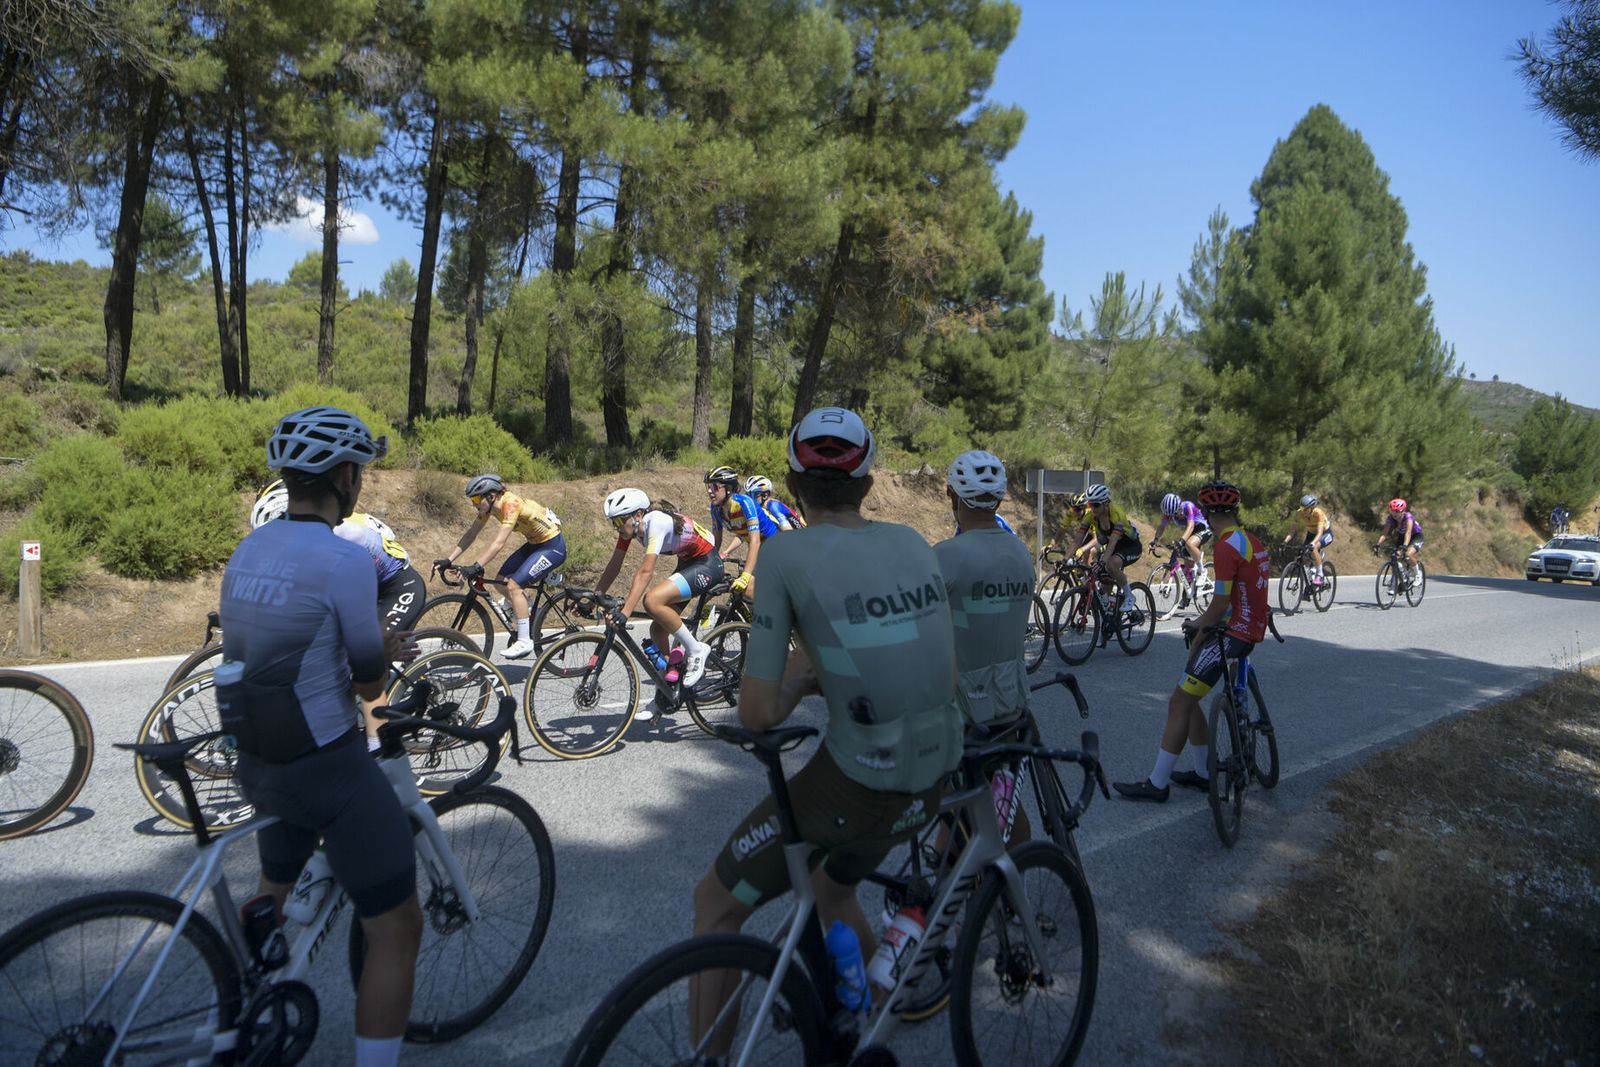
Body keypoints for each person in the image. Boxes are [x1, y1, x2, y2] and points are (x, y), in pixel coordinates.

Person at [690, 408, 964, 1043]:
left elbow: (757, 712)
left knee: (714, 904)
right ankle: (857, 1017)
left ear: (791, 484)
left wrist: (800, 680)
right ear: (869, 483)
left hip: (861, 782)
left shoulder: (785, 557)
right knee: (829, 889)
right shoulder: (912, 544)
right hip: (934, 780)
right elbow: (940, 677)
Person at [219, 407, 420, 1067]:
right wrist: (386, 647)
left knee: (276, 888)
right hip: (325, 768)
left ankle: (249, 1006)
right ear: (344, 476)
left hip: (257, 761)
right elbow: (367, 683)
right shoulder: (343, 559)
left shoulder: (248, 548)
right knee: (396, 925)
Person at [1113, 480, 1270, 802]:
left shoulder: (1226, 547)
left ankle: (1157, 783)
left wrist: (1199, 635)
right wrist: (1202, 622)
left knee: (1178, 702)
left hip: (1234, 633)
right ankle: (1203, 773)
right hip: (1251, 626)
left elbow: (1221, 602)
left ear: (1208, 516)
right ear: (1235, 511)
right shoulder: (1251, 540)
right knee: (1191, 699)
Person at [252, 480, 427, 748]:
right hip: (367, 579)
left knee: (369, 660)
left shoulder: (333, 536)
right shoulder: (310, 532)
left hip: (399, 586)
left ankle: (379, 751)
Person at [935, 449, 1037, 842]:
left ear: (953, 496)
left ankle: (959, 890)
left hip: (961, 715)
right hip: (1011, 705)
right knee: (1002, 813)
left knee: (956, 814)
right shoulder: (1020, 553)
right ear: (998, 499)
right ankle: (1010, 891)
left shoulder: (946, 556)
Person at [596, 488, 720, 717]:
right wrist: (596, 595)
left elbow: (646, 572)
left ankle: (696, 649)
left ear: (638, 515)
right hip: (689, 563)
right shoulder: (631, 530)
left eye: (620, 520)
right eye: (614, 522)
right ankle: (666, 695)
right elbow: (615, 563)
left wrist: (626, 611)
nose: (617, 527)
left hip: (708, 563)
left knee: (652, 601)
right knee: (657, 630)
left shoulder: (656, 523)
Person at [253, 479, 426, 635]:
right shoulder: (313, 529)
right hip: (369, 586)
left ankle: (413, 669)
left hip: (400, 587)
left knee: (373, 650)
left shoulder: (334, 534)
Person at [439, 473, 567, 659]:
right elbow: (471, 534)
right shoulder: (489, 509)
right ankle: (530, 611)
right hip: (534, 544)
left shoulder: (510, 504)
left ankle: (524, 641)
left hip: (552, 546)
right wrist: (448, 559)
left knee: (514, 586)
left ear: (491, 496)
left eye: (476, 498)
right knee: (500, 583)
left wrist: (476, 566)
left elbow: (499, 543)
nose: (474, 503)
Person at [706, 465, 777, 601]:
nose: (709, 491)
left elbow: (755, 541)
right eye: (708, 487)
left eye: (714, 487)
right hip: (762, 549)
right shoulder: (715, 509)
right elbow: (716, 540)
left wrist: (746, 576)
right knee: (743, 593)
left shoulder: (745, 503)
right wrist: (709, 562)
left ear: (728, 489)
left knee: (749, 589)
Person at [1081, 482, 1142, 610]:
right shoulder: (1090, 516)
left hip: (1130, 546)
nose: (1092, 508)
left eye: (1096, 505)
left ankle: (1129, 595)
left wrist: (1103, 561)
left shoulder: (1117, 515)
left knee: (1111, 564)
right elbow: (1077, 541)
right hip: (1113, 547)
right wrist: (1066, 558)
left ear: (1105, 503)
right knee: (1103, 579)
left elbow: (1113, 541)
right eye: (1090, 504)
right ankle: (1107, 611)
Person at [1153, 492, 1212, 581]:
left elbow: (1191, 526)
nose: (1174, 516)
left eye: (1175, 513)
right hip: (1192, 532)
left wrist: (1181, 541)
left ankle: (1202, 571)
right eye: (1171, 515)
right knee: (1188, 567)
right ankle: (1191, 587)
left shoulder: (1188, 506)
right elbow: (1161, 527)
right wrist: (1155, 540)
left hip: (1204, 528)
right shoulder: (1169, 512)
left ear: (1179, 507)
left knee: (1189, 544)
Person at [1284, 493, 1334, 586]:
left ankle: (1320, 575)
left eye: (1307, 509)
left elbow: (1319, 533)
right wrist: (1285, 541)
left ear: (1312, 508)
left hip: (1325, 534)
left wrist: (1313, 544)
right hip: (1311, 534)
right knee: (1302, 555)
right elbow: (1292, 530)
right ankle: (1309, 585)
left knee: (1313, 548)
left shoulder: (1318, 513)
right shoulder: (1299, 513)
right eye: (1303, 508)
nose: (1304, 511)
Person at [1376, 498, 1424, 572]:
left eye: (1397, 511)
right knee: (1395, 556)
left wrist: (1405, 546)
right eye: (1392, 510)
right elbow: (1385, 535)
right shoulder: (1390, 518)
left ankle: (1418, 574)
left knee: (1408, 555)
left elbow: (1408, 533)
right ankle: (1401, 576)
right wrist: (1378, 544)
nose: (1394, 513)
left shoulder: (1408, 517)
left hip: (1415, 536)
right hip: (1402, 536)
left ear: (1403, 511)